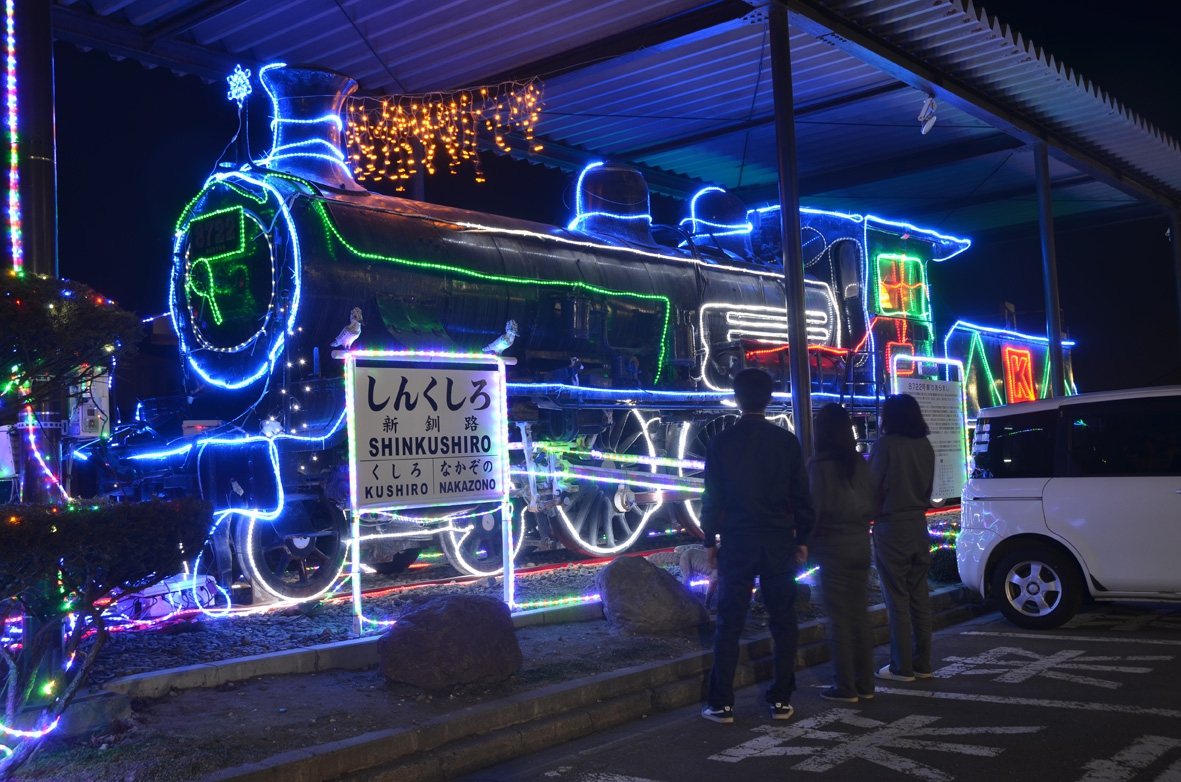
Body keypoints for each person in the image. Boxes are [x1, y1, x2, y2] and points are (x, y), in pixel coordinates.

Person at [700, 368, 815, 723]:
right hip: (778, 541)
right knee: (783, 621)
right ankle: (781, 698)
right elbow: (802, 498)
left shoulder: (721, 442)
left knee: (729, 623)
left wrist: (709, 542)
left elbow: (711, 499)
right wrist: (803, 540)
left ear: (736, 399)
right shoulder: (787, 442)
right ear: (769, 398)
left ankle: (722, 702)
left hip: (737, 541)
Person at [808, 403, 876, 702]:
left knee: (840, 619)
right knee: (859, 615)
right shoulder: (860, 463)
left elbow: (814, 511)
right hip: (861, 542)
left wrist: (804, 545)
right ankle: (865, 683)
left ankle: (845, 685)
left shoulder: (818, 466)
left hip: (833, 546)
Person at [870, 393, 936, 683]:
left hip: (891, 527)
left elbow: (871, 488)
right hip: (918, 525)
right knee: (919, 597)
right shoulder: (925, 445)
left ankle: (901, 666)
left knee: (896, 598)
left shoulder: (885, 445)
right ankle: (923, 663)